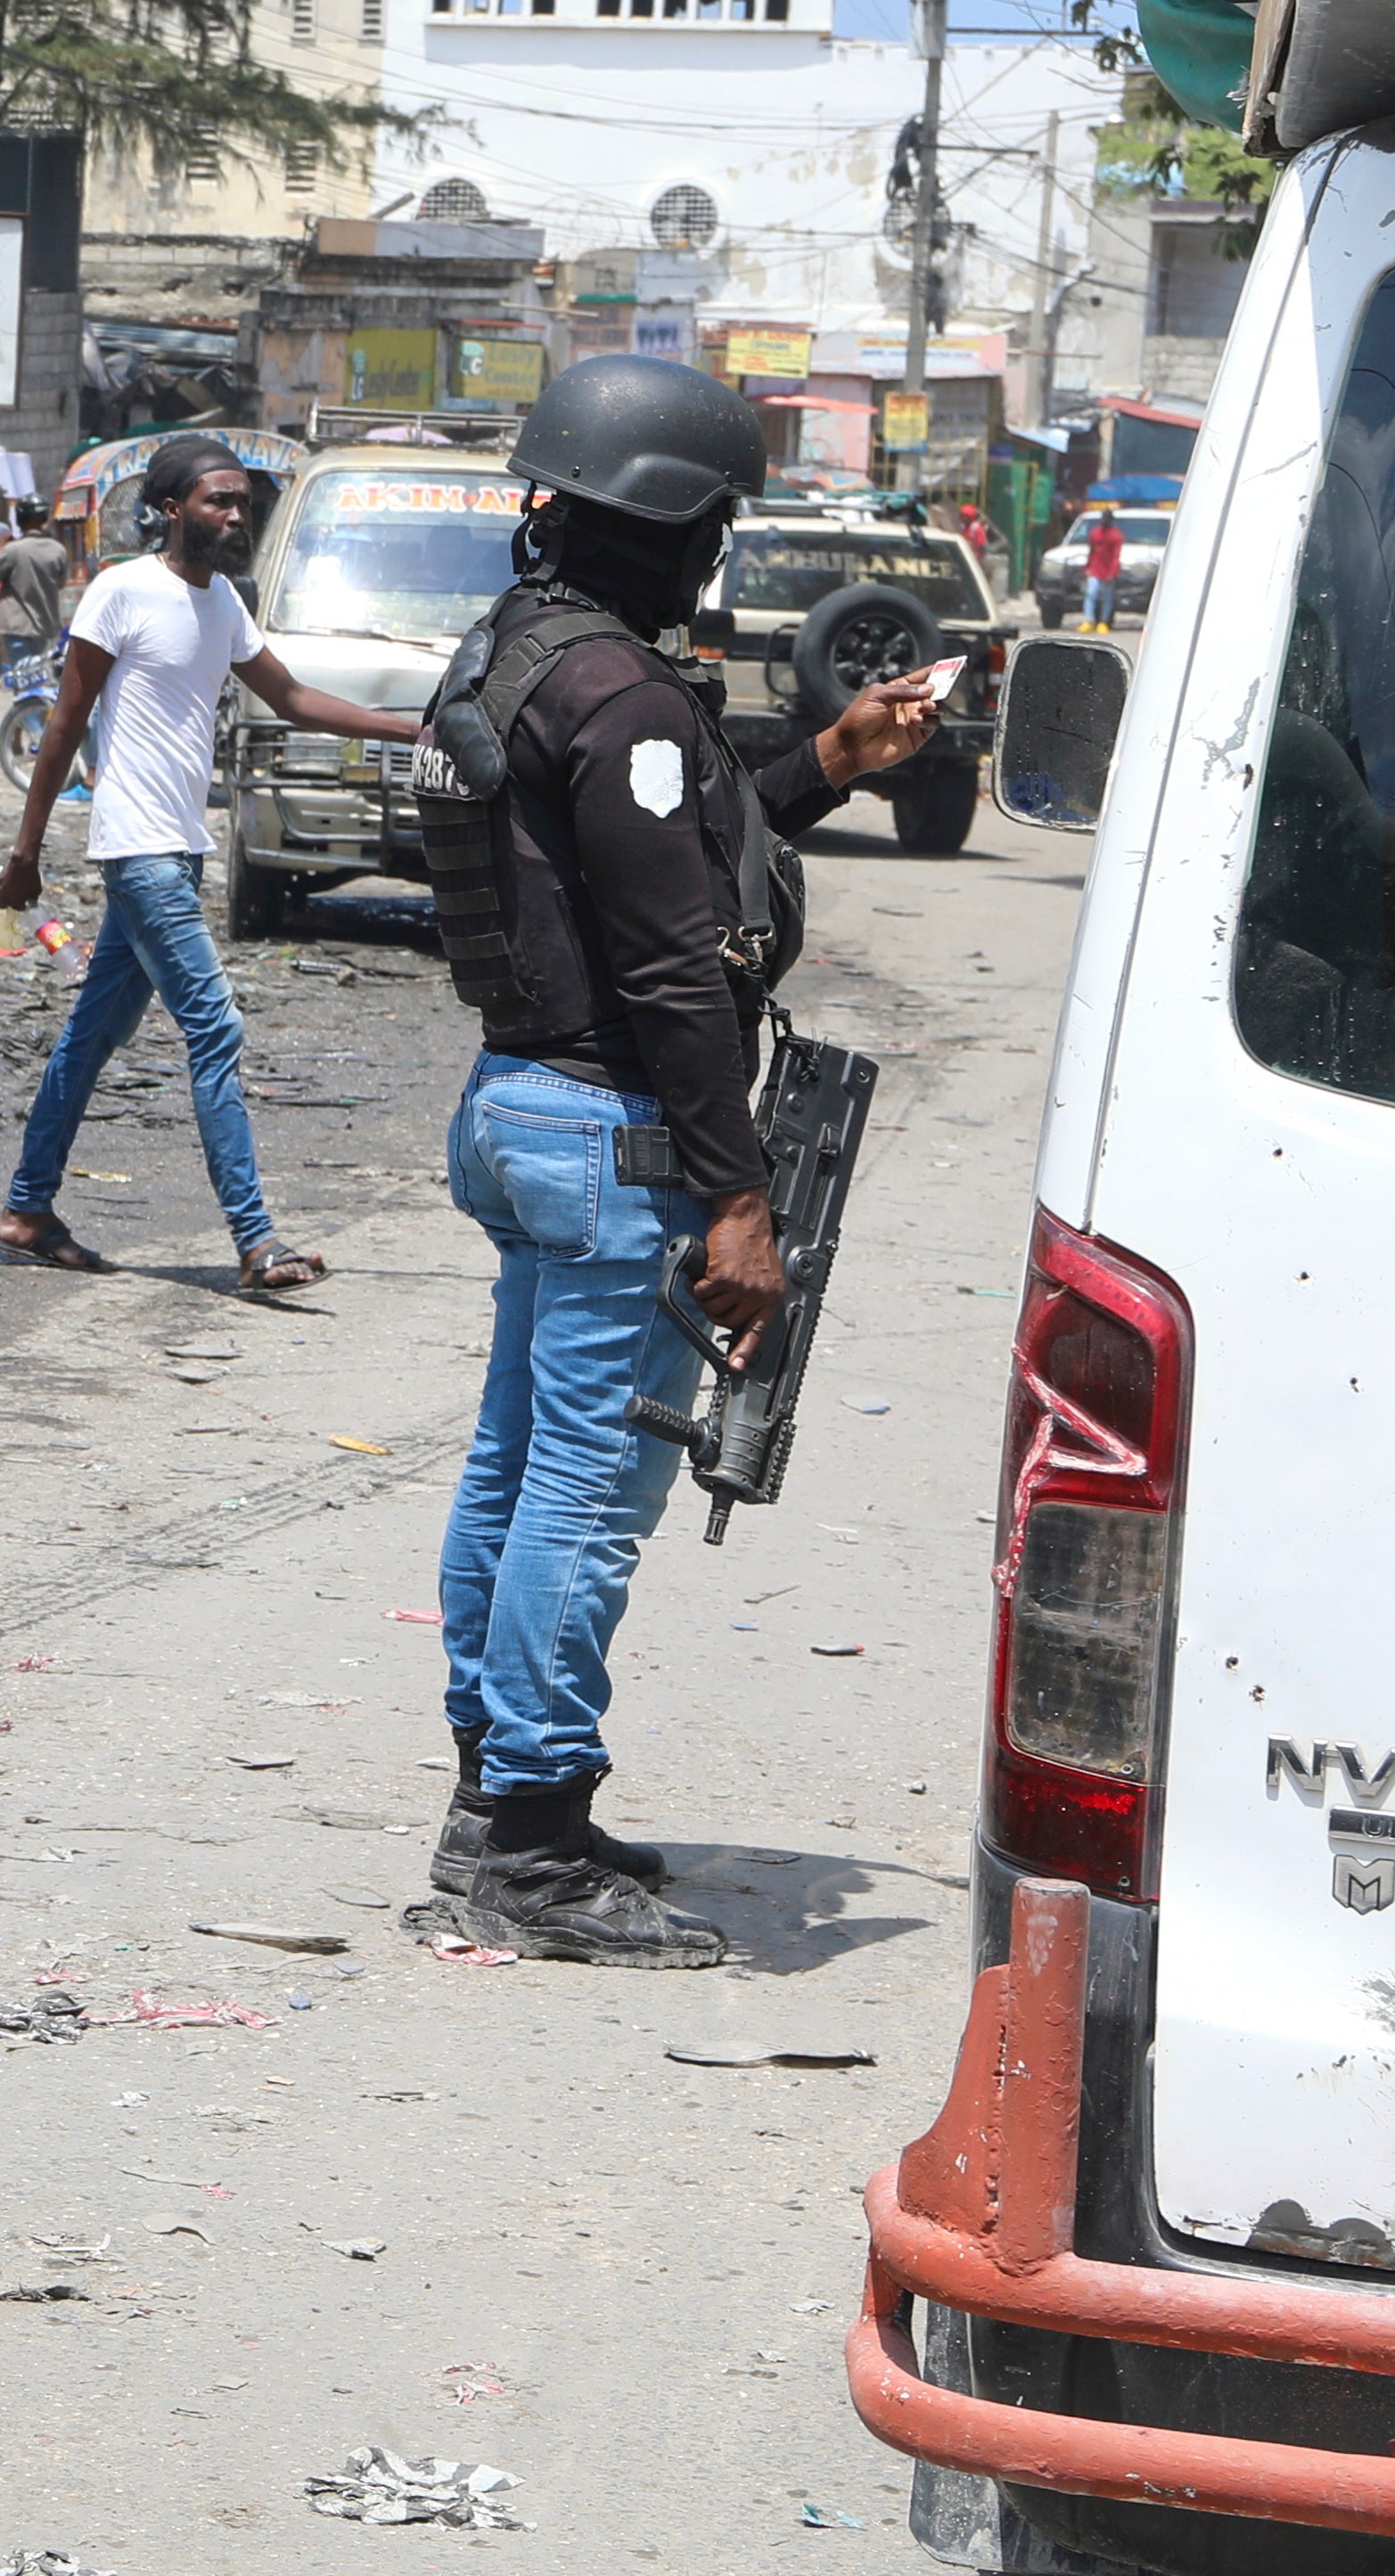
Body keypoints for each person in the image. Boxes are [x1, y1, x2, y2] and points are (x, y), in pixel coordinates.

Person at [408, 355, 945, 1966]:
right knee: (580, 1495)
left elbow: (644, 852)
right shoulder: (629, 696)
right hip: (608, 1133)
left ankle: (508, 1796)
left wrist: (825, 764)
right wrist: (732, 1197)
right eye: (712, 519)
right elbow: (668, 962)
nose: (716, 551)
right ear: (677, 523)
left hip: (519, 1104)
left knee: (513, 1468)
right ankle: (521, 1843)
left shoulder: (525, 655)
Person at [0, 437, 410, 1292]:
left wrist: (416, 728)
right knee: (215, 1027)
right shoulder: (122, 590)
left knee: (91, 1036)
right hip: (137, 850)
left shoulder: (224, 604)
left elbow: (291, 698)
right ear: (171, 508)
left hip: (179, 852)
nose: (234, 515)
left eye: (243, 503)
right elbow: (64, 724)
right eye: (218, 501)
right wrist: (26, 851)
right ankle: (256, 1242)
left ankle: (27, 1209)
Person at [0, 499, 69, 671]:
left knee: (22, 679)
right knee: (43, 678)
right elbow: (61, 583)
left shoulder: (12, 550)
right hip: (47, 627)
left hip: (17, 627)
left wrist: (0, 546)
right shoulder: (58, 550)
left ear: (20, 520)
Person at [1080, 506, 1125, 632]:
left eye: (1106, 519)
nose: (1103, 521)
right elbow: (1091, 552)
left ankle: (1103, 622)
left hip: (1108, 571)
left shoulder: (1116, 536)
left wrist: (1113, 573)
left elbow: (1116, 556)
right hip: (1095, 569)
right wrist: (1087, 568)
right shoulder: (1095, 533)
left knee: (1107, 597)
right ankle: (1088, 621)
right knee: (1091, 593)